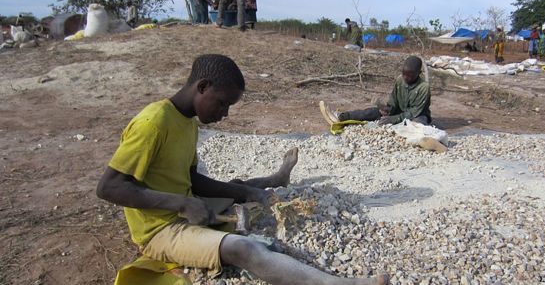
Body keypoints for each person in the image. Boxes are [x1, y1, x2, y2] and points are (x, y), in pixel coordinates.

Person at [96, 54, 389, 285]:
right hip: (160, 230)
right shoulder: (152, 123)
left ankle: (275, 179)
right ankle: (337, 283)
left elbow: (191, 179)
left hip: (186, 205)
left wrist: (245, 192)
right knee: (244, 249)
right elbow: (109, 187)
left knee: (238, 188)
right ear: (202, 87)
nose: (224, 114)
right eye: (222, 103)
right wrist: (181, 203)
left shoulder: (186, 122)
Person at [321, 56, 431, 126]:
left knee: (417, 125)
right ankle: (341, 116)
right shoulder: (399, 80)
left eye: (410, 76)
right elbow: (393, 102)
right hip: (399, 113)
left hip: (416, 116)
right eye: (404, 74)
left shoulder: (423, 87)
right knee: (370, 112)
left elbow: (413, 112)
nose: (406, 78)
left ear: (418, 73)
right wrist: (387, 109)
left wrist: (393, 119)